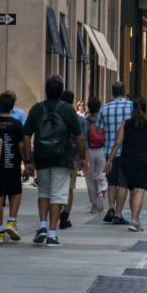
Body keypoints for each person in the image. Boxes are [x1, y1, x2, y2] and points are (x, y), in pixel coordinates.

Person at [22, 76, 88, 246]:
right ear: (61, 91)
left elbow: (26, 135)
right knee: (57, 195)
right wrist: (82, 158)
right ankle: (52, 234)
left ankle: (42, 225)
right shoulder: (67, 110)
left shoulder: (37, 109)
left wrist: (28, 160)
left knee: (43, 192)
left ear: (46, 90)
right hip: (62, 158)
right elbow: (79, 137)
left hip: (42, 157)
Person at [106, 100, 147, 232]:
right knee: (140, 191)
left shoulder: (125, 124)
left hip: (128, 162)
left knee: (133, 191)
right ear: (146, 110)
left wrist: (110, 160)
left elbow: (118, 143)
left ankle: (134, 218)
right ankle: (134, 220)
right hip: (146, 161)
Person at [0, 91, 26, 242]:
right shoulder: (16, 124)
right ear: (12, 107)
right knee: (15, 191)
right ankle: (11, 221)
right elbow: (21, 146)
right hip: (12, 164)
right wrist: (26, 162)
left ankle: (0, 230)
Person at [97, 82, 134, 224]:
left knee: (111, 182)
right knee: (123, 184)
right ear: (125, 92)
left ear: (112, 92)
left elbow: (99, 131)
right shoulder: (131, 106)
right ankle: (118, 214)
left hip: (108, 152)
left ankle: (111, 207)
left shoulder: (104, 108)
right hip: (126, 151)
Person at [59, 90, 86, 229]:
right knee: (69, 188)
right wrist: (83, 158)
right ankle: (65, 215)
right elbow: (82, 139)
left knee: (56, 187)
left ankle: (55, 212)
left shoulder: (54, 116)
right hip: (73, 157)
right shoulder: (79, 119)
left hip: (55, 156)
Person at [83, 97, 107, 213]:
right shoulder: (103, 119)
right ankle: (101, 192)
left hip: (89, 151)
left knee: (89, 178)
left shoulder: (86, 120)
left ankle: (93, 205)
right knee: (101, 174)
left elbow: (83, 139)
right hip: (101, 150)